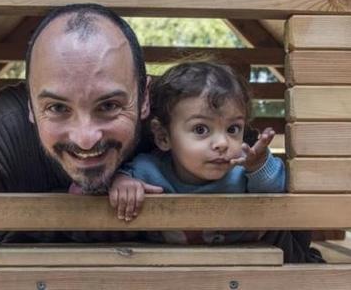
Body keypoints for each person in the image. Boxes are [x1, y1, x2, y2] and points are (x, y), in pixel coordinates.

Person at [0, 4, 321, 263]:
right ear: (30, 109)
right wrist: (77, 221)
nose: (87, 137)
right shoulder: (1, 131)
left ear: (146, 102)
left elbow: (296, 243)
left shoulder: (192, 121)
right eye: (58, 108)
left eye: (109, 106)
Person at [108, 61, 285, 245]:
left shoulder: (243, 169)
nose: (222, 143)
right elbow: (122, 177)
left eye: (232, 129)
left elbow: (275, 189)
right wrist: (123, 183)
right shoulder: (149, 170)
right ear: (163, 137)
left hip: (240, 266)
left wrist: (258, 166)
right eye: (201, 129)